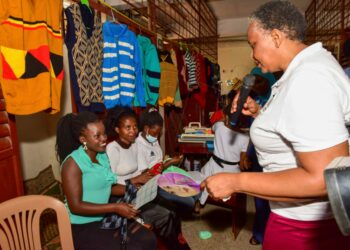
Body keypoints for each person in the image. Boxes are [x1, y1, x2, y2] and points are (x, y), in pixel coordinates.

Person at [201, 1, 350, 249]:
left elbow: (325, 179)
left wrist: (236, 181)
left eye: (253, 44)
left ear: (276, 37)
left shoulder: (310, 77)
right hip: (293, 217)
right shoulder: (300, 72)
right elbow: (294, 130)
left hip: (305, 228)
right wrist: (259, 113)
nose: (252, 54)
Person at [55, 111, 157, 250]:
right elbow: (76, 206)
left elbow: (109, 186)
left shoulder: (102, 156)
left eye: (104, 134)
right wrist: (115, 207)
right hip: (81, 226)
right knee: (130, 246)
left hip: (103, 217)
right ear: (83, 139)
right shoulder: (72, 164)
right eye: (97, 136)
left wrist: (135, 189)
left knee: (147, 238)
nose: (103, 139)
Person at [104, 106, 191, 250]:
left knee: (172, 208)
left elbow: (143, 171)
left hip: (136, 191)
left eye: (134, 126)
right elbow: (109, 185)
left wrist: (147, 178)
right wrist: (136, 180)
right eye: (127, 127)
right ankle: (176, 246)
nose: (133, 131)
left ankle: (177, 242)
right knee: (165, 215)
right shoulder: (113, 149)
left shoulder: (134, 145)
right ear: (117, 130)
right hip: (120, 197)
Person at [136, 106, 197, 214]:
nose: (157, 136)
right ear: (146, 129)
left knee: (195, 189)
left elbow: (157, 161)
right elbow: (147, 175)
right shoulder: (138, 146)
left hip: (163, 175)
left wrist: (168, 160)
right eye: (155, 133)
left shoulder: (152, 139)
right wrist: (169, 163)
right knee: (190, 202)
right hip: (153, 184)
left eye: (159, 133)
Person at [199, 98, 249, 208]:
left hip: (214, 168)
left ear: (226, 117)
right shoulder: (246, 137)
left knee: (203, 173)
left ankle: (199, 203)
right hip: (232, 172)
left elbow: (213, 127)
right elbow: (242, 164)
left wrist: (223, 119)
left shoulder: (219, 127)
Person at [246, 66, 276, 246]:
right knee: (260, 200)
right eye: (254, 82)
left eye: (260, 81)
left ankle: (273, 235)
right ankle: (259, 233)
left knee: (276, 199)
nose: (256, 85)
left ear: (268, 80)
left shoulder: (277, 100)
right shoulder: (254, 100)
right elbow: (252, 131)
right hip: (257, 154)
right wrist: (247, 152)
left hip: (274, 157)